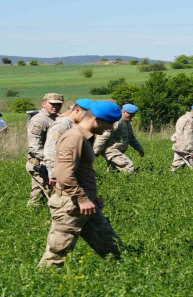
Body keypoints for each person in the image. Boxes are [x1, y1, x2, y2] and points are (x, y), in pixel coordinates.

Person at [38, 101, 124, 268]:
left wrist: (92, 197)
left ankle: (127, 275)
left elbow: (81, 173)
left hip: (85, 203)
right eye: (110, 123)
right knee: (58, 252)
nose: (111, 128)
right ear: (97, 120)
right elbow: (64, 175)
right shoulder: (74, 137)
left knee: (111, 246)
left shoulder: (85, 137)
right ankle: (38, 284)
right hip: (71, 204)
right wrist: (83, 198)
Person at [43, 99, 93, 186]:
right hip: (59, 173)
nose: (88, 118)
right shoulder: (63, 124)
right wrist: (53, 174)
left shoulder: (74, 124)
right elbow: (50, 149)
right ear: (77, 110)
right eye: (87, 115)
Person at [26, 93, 64, 208]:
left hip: (52, 161)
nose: (55, 107)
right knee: (47, 193)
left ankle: (37, 214)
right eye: (52, 104)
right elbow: (34, 147)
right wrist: (50, 159)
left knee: (44, 192)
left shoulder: (57, 118)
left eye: (58, 104)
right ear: (43, 104)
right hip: (40, 162)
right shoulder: (39, 120)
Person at [93, 104, 145, 173]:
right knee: (128, 166)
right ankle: (129, 182)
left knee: (114, 171)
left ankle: (111, 181)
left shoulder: (127, 122)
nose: (133, 116)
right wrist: (96, 151)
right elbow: (103, 136)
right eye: (131, 114)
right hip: (111, 150)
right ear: (123, 112)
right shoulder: (116, 121)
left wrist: (139, 148)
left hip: (118, 150)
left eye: (134, 114)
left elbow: (131, 138)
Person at [171, 104, 193, 171]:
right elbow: (189, 137)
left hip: (179, 146)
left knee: (176, 167)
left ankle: (169, 178)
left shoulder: (182, 117)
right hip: (186, 148)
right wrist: (192, 151)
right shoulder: (190, 121)